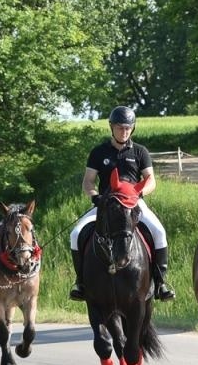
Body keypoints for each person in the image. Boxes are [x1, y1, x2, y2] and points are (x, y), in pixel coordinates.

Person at [67, 106, 175, 302]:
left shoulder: (140, 151)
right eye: (120, 128)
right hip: (106, 204)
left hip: (134, 204)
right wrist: (95, 196)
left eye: (127, 128)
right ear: (111, 127)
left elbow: (151, 180)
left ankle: (160, 283)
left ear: (132, 128)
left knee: (159, 232)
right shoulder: (99, 152)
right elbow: (88, 181)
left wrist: (139, 193)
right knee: (76, 234)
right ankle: (80, 282)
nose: (124, 131)